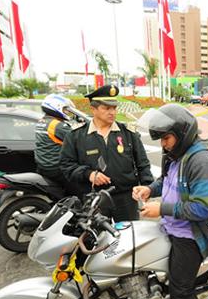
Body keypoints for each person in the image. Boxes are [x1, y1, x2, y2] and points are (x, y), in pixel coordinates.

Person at [132, 104, 208, 299]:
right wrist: (149, 189)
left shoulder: (201, 161)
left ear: (182, 134)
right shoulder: (175, 154)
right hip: (172, 226)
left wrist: (161, 208)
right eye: (161, 140)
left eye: (166, 138)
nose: (163, 144)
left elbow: (203, 208)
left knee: (180, 290)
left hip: (194, 233)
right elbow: (166, 180)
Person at [60, 85, 153, 221]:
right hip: (94, 199)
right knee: (97, 239)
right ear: (93, 109)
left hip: (126, 199)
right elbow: (66, 165)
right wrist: (89, 174)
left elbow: (143, 164)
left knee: (127, 238)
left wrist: (147, 187)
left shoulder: (128, 133)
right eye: (106, 108)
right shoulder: (76, 135)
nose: (112, 113)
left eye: (114, 108)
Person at [34, 94, 77, 193]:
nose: (67, 112)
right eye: (65, 109)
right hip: (57, 168)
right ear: (56, 108)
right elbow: (76, 139)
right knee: (80, 186)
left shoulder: (42, 121)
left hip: (43, 166)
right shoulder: (57, 125)